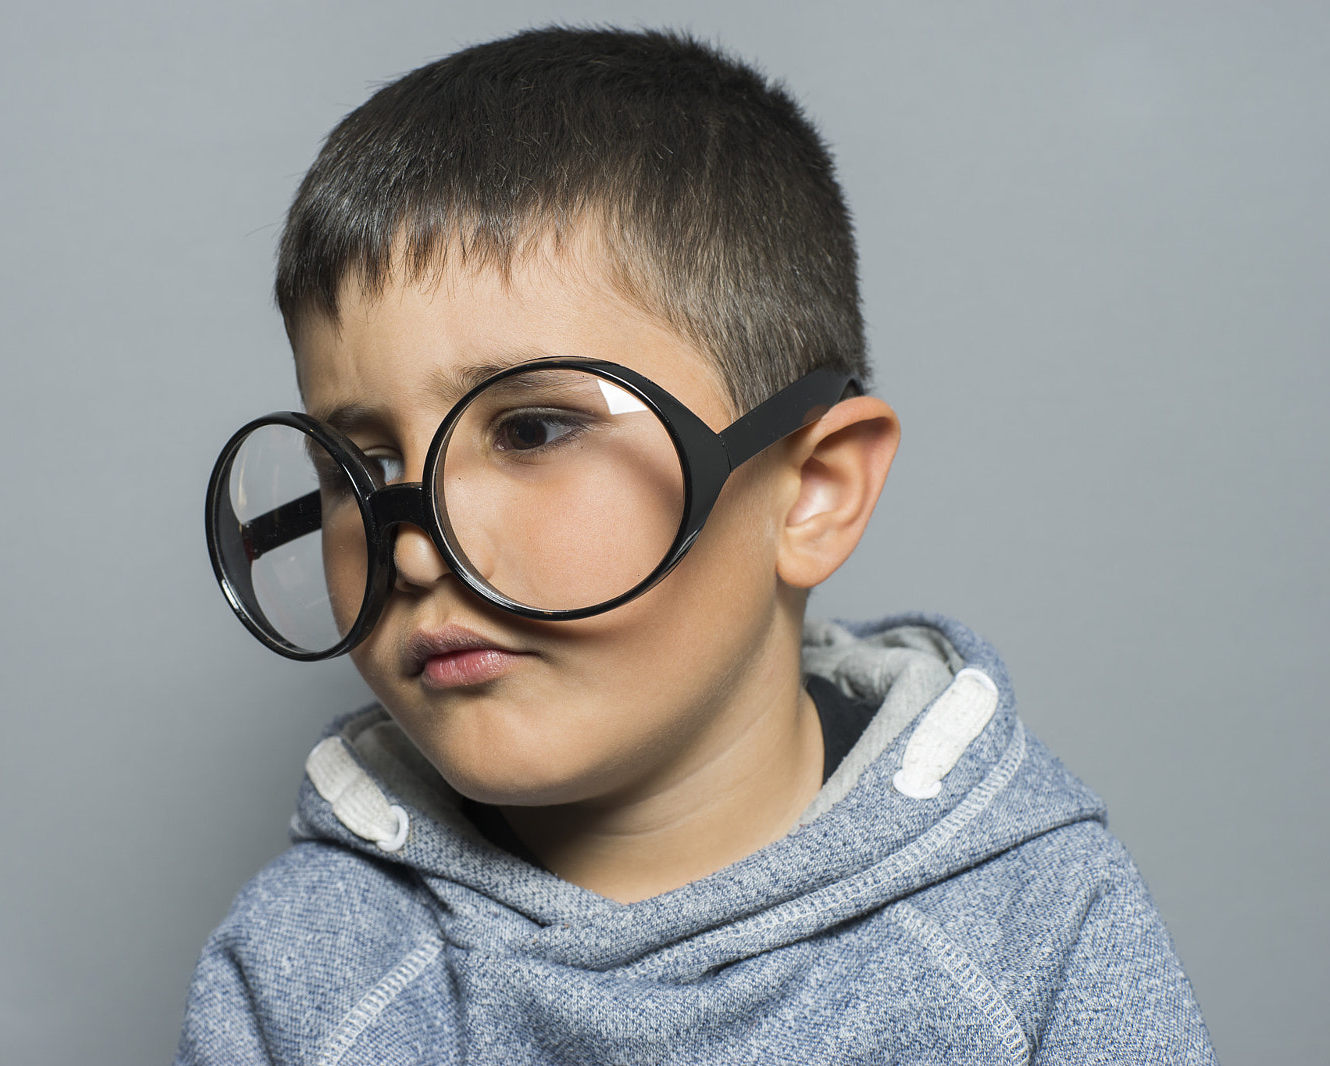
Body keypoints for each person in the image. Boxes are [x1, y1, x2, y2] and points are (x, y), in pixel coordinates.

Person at [177, 26, 1214, 1065]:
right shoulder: (304, 970)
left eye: (532, 429)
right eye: (356, 466)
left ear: (812, 489)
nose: (410, 555)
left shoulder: (1034, 932)